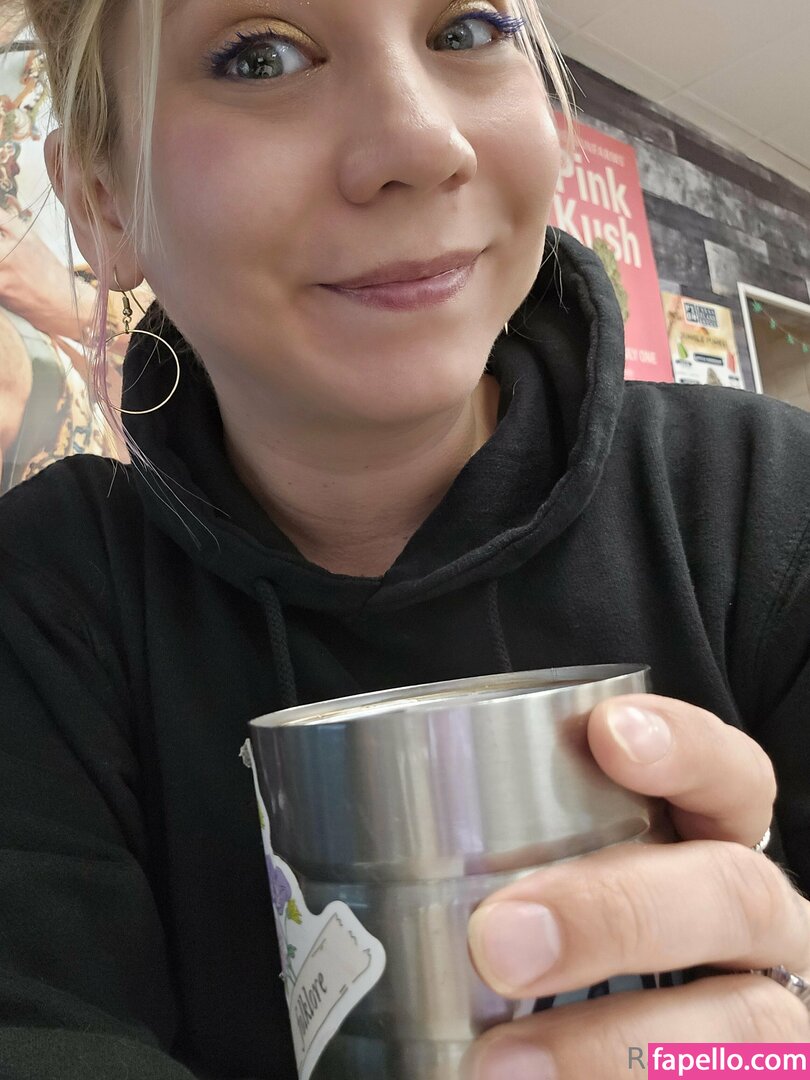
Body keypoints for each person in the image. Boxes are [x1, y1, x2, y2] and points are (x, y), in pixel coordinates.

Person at [0, 1, 809, 1078]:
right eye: (260, 56)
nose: (424, 145)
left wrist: (780, 1012)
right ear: (104, 202)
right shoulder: (43, 594)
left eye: (466, 30)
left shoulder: (770, 500)